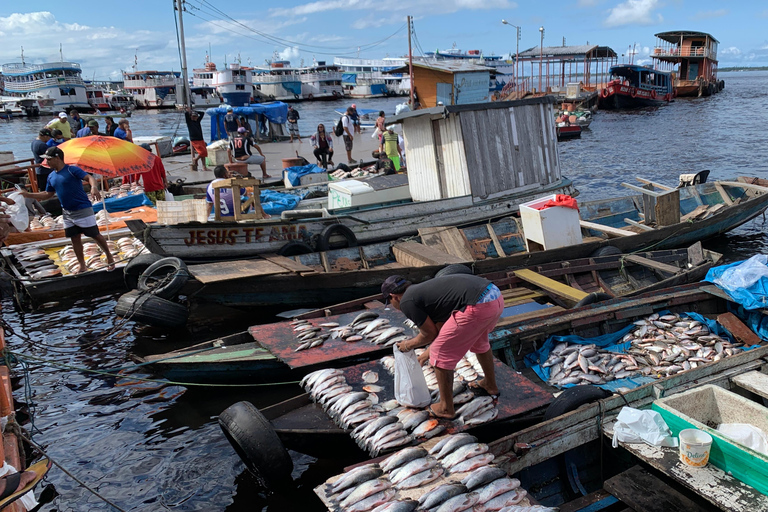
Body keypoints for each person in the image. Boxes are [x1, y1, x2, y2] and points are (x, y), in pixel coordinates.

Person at [382, 273, 503, 419]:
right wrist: (425, 355)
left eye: (391, 303)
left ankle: (445, 408)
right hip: (494, 296)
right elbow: (441, 329)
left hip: (476, 305)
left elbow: (429, 334)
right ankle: (490, 385)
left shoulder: (406, 301)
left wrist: (407, 345)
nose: (395, 307)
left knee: (440, 356)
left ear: (393, 296)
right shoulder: (424, 292)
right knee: (479, 341)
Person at [20, 147, 115, 274]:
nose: (46, 162)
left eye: (49, 159)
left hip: (82, 209)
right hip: (67, 213)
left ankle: (109, 256)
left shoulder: (72, 170)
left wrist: (93, 187)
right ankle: (82, 265)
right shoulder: (51, 176)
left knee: (95, 235)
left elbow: (89, 178)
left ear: (57, 158)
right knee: (74, 238)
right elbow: (47, 194)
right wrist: (29, 195)